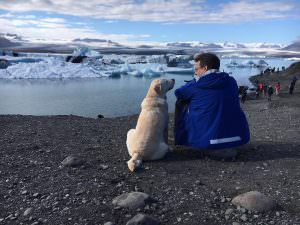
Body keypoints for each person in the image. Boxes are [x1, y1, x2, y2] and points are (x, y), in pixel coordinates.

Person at [174, 53, 250, 159]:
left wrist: (193, 81)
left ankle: (183, 138)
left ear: (205, 68)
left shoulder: (196, 85)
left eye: (196, 69)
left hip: (209, 142)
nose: (195, 72)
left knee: (181, 102)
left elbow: (179, 93)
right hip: (239, 138)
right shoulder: (231, 81)